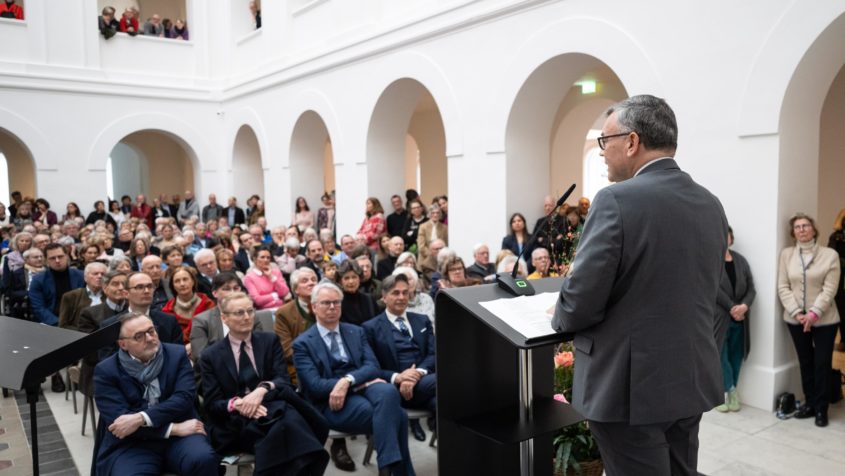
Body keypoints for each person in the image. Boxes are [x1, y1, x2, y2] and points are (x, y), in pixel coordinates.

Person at [551, 95, 728, 475]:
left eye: (605, 140)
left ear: (632, 142)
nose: (602, 152)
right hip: (689, 375)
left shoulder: (616, 200)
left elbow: (580, 302)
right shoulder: (710, 203)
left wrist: (559, 315)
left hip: (629, 385)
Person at [293, 282, 416, 476]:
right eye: (326, 303)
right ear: (314, 307)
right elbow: (315, 386)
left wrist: (348, 381)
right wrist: (359, 383)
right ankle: (396, 471)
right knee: (397, 415)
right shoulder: (302, 344)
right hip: (330, 402)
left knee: (389, 391)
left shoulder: (355, 331)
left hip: (360, 385)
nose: (332, 307)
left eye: (336, 302)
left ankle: (387, 468)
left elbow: (372, 366)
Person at [200, 292, 330, 475]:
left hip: (273, 404)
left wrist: (261, 390)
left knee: (284, 424)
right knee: (289, 426)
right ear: (224, 318)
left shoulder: (269, 341)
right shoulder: (211, 356)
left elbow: (283, 381)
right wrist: (239, 404)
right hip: (237, 421)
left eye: (250, 311)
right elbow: (212, 404)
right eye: (239, 313)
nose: (246, 317)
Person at [93, 313, 219, 476]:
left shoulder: (177, 354)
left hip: (182, 437)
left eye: (151, 331)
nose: (149, 338)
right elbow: (120, 425)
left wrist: (141, 418)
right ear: (123, 344)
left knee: (203, 459)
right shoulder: (106, 371)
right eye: (139, 336)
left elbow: (184, 398)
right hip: (134, 444)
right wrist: (172, 429)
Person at [777, 213, 840, 427]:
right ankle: (810, 403)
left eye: (805, 225)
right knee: (805, 362)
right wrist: (797, 312)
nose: (802, 229)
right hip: (795, 319)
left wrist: (813, 313)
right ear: (793, 233)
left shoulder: (829, 254)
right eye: (797, 227)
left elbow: (830, 289)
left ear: (814, 229)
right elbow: (783, 286)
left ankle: (822, 408)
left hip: (825, 320)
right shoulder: (786, 255)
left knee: (822, 362)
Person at [363, 274, 437, 442]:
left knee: (447, 406)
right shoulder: (370, 328)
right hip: (395, 390)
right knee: (449, 382)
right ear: (384, 297)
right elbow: (371, 368)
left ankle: (453, 455)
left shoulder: (422, 320)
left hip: (424, 386)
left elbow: (433, 354)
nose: (402, 297)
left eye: (405, 293)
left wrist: (416, 374)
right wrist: (398, 377)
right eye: (396, 293)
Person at [714, 227, 756, 413]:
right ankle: (728, 391)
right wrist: (732, 307)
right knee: (720, 355)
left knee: (736, 356)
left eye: (727, 234)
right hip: (720, 317)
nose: (724, 238)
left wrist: (744, 306)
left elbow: (751, 289)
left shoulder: (741, 261)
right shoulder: (711, 261)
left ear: (731, 238)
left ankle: (730, 391)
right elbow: (713, 288)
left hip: (741, 318)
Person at [190, 272, 265, 364]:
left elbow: (260, 347)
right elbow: (201, 356)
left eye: (236, 288)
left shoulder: (252, 315)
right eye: (226, 289)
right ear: (215, 293)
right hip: (216, 371)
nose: (232, 293)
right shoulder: (202, 321)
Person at [78, 271, 129, 397]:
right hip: (100, 369)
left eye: (124, 284)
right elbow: (90, 352)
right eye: (115, 284)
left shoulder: (133, 310)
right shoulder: (89, 314)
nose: (121, 288)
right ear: (105, 288)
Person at [161, 266, 216, 352]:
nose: (182, 284)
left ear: (193, 281)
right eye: (177, 281)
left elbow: (215, 334)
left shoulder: (208, 305)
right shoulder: (167, 311)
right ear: (173, 286)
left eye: (185, 279)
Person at [58, 262, 106, 331]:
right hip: (78, 337)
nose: (100, 276)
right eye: (95, 274)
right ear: (85, 277)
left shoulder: (111, 296)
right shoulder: (71, 296)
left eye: (103, 274)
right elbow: (63, 325)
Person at [243, 244, 291, 310]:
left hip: (282, 307)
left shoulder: (276, 272)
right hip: (264, 311)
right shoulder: (249, 277)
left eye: (268, 257)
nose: (266, 260)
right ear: (254, 259)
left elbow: (284, 292)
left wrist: (271, 277)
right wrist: (274, 295)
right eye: (262, 257)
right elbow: (258, 300)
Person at [336, 260, 378, 326]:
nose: (351, 281)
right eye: (346, 278)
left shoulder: (369, 299)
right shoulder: (337, 302)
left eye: (354, 277)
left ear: (359, 279)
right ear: (340, 282)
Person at [827, 211, 845, 352]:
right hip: (841, 279)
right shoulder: (836, 237)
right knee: (842, 308)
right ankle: (844, 341)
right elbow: (831, 258)